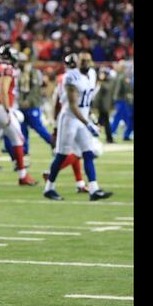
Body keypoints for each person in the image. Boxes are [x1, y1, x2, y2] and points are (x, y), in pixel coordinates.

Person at [43, 52, 112, 201]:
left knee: (88, 153)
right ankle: (49, 188)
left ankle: (94, 190)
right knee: (62, 155)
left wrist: (91, 119)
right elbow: (74, 106)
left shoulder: (92, 74)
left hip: (82, 119)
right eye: (83, 61)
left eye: (88, 60)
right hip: (69, 119)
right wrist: (88, 124)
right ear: (78, 62)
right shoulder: (71, 77)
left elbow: (87, 103)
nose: (86, 63)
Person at [0, 44, 37, 187]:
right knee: (18, 139)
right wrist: (7, 110)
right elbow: (3, 90)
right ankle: (22, 175)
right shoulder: (8, 69)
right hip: (0, 107)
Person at [93, 67, 115, 143]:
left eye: (102, 73)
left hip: (104, 106)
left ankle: (108, 138)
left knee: (102, 122)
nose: (101, 75)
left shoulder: (108, 81)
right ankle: (109, 138)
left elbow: (107, 88)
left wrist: (101, 81)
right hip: (101, 106)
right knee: (102, 122)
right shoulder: (102, 82)